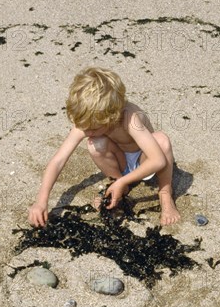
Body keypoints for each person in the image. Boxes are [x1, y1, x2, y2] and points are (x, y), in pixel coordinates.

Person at [28, 66, 181, 228]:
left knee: (162, 141)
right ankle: (119, 187)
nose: (87, 131)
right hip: (120, 160)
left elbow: (158, 161)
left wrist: (124, 181)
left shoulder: (129, 118)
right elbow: (58, 160)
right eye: (84, 127)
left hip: (145, 158)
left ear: (112, 117)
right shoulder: (89, 120)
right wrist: (41, 201)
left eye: (93, 128)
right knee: (96, 144)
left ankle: (165, 195)